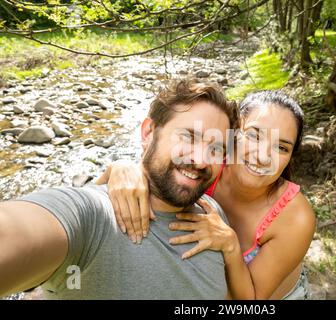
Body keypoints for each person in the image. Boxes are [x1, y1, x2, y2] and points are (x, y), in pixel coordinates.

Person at [0, 79, 239, 299]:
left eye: (216, 149)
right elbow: (19, 231)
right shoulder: (93, 214)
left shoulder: (212, 214)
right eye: (189, 137)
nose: (200, 161)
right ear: (148, 132)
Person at [100, 90, 316, 300]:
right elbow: (158, 163)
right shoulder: (207, 164)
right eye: (253, 135)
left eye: (281, 147)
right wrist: (122, 168)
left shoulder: (295, 218)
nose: (262, 157)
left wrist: (230, 244)